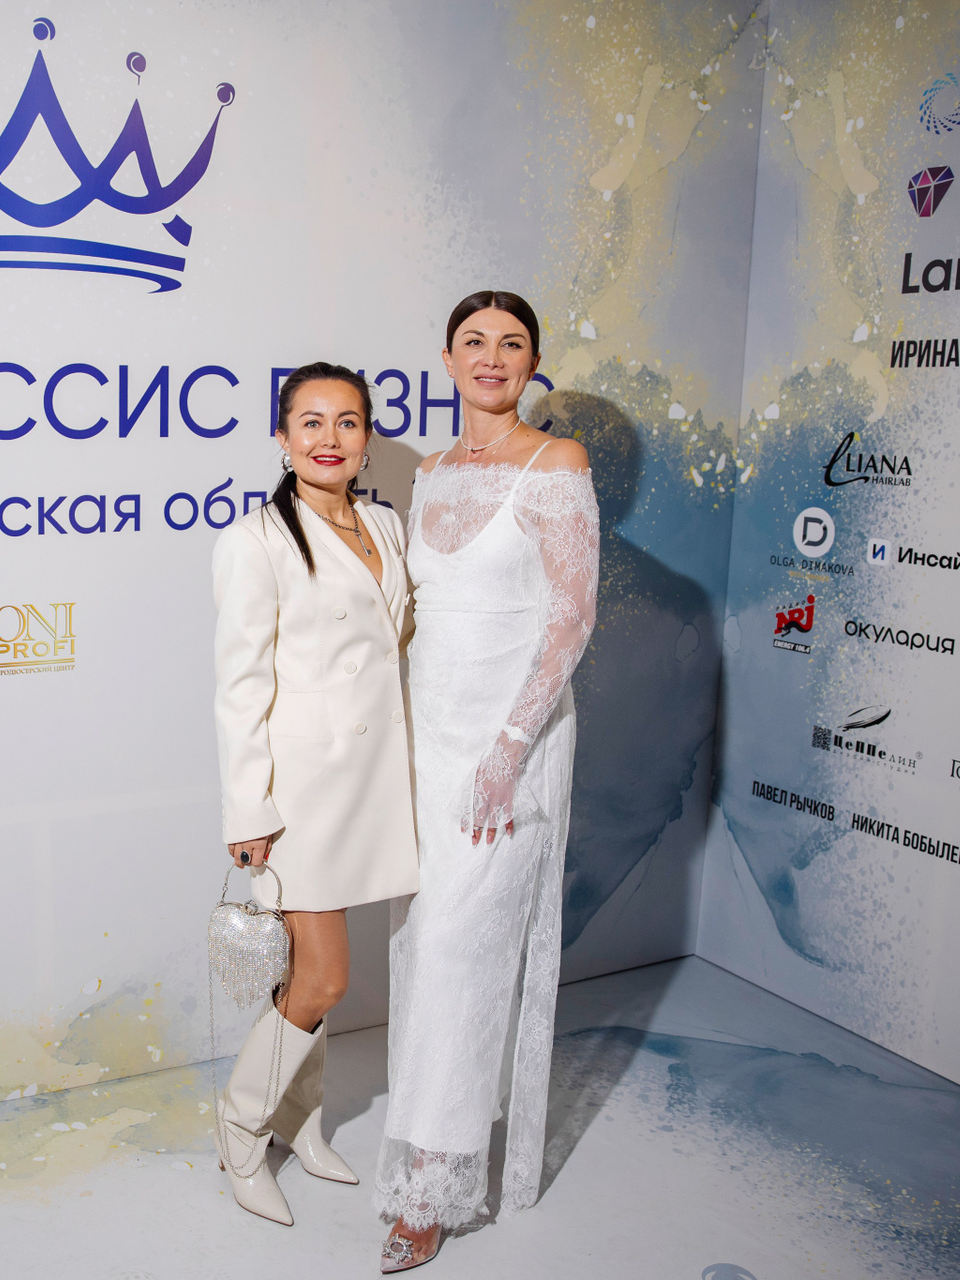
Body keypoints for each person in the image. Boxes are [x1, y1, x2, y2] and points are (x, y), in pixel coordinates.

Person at [375, 292, 598, 1272]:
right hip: (426, 745)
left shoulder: (558, 463)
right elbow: (417, 616)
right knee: (426, 953)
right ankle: (427, 1138)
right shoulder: (429, 473)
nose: (492, 357)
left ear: (533, 362)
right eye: (474, 341)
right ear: (447, 358)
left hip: (508, 750)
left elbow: (571, 616)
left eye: (512, 343)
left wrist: (509, 748)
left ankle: (431, 1189)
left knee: (460, 957)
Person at [211, 363, 420, 1226]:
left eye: (347, 422)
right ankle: (240, 1129)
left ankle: (300, 1122)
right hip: (301, 791)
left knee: (309, 974)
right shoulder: (254, 539)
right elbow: (239, 688)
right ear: (282, 436)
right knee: (325, 977)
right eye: (311, 422)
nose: (329, 439)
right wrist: (249, 809)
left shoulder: (386, 522)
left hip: (375, 779)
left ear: (367, 435)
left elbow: (398, 642)